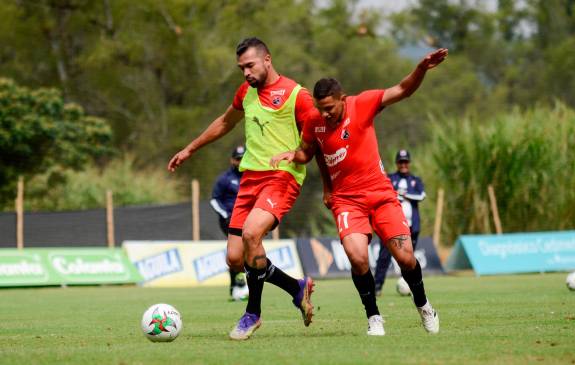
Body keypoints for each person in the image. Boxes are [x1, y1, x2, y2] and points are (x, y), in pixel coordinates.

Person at [271, 48, 447, 335]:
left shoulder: (362, 104)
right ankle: (373, 317)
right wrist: (293, 155)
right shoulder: (315, 122)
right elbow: (307, 152)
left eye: (329, 107)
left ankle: (424, 306)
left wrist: (422, 69)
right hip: (346, 201)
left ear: (342, 99)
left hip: (380, 194)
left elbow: (402, 89)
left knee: (405, 258)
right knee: (357, 256)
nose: (324, 114)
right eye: (320, 108)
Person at [168, 37, 317, 341]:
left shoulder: (296, 95)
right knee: (235, 259)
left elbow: (316, 138)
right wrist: (190, 149)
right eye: (241, 68)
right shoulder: (246, 92)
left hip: (282, 177)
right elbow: (225, 122)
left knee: (251, 235)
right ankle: (296, 288)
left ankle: (253, 314)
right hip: (250, 179)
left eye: (250, 65)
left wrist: (313, 167)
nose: (246, 72)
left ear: (267, 59)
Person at [374, 149, 426, 297]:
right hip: (391, 225)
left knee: (409, 259)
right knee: (384, 256)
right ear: (397, 163)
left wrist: (404, 195)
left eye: (405, 161)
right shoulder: (390, 178)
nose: (403, 164)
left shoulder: (415, 180)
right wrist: (396, 194)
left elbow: (421, 195)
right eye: (400, 161)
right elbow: (382, 192)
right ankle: (377, 286)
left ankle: (410, 285)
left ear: (409, 163)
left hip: (411, 227)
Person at [210, 145, 249, 301]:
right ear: (232, 160)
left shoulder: (251, 176)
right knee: (237, 252)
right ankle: (237, 286)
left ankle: (240, 285)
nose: (241, 162)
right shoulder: (224, 179)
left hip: (249, 221)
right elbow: (214, 200)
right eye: (238, 159)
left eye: (243, 158)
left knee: (246, 252)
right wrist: (225, 214)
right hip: (230, 221)